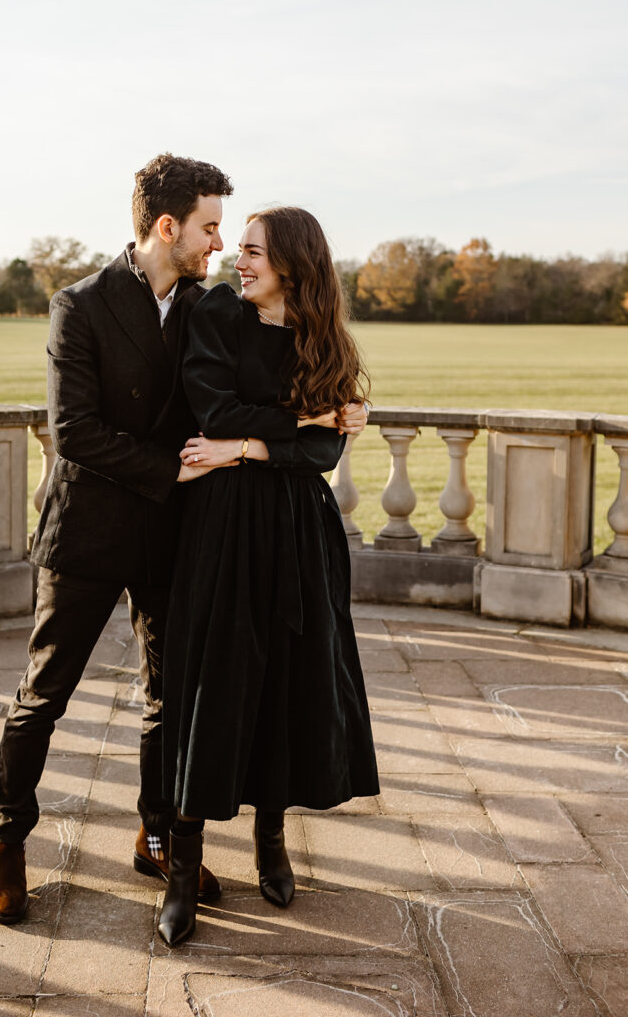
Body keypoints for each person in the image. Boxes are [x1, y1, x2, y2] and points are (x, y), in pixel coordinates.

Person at [0, 153, 236, 923]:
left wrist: (331, 409)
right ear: (168, 226)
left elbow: (261, 371)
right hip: (88, 529)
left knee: (167, 695)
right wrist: (172, 470)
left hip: (168, 533)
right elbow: (73, 433)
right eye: (209, 227)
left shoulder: (204, 306)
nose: (217, 244)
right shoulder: (80, 306)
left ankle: (154, 836)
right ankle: (6, 841)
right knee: (43, 695)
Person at [157, 206, 380, 946]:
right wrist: (305, 419)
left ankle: (271, 844)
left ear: (291, 261)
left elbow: (323, 457)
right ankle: (182, 875)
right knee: (209, 684)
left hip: (297, 536)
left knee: (283, 681)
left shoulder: (327, 339)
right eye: (238, 248)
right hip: (220, 530)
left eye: (251, 252)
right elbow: (213, 409)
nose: (236, 260)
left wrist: (247, 447)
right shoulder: (216, 312)